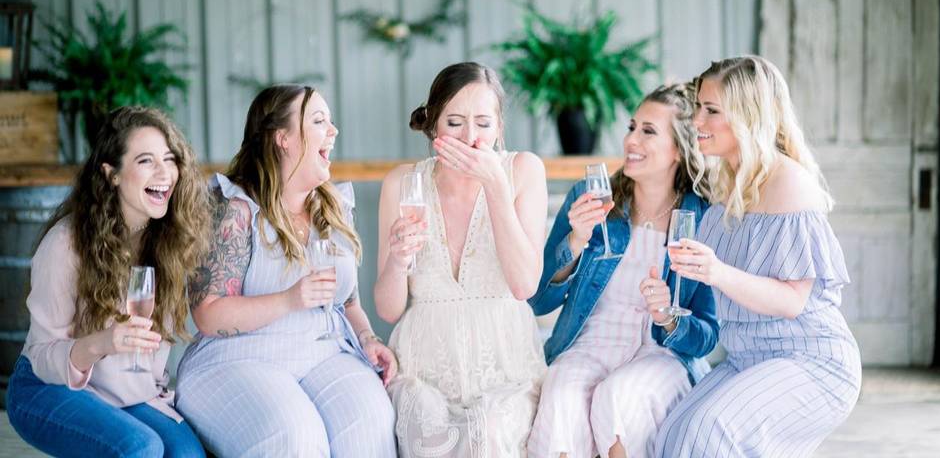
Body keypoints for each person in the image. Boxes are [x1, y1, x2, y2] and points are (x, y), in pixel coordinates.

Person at [654, 56, 862, 457]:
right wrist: (664, 306)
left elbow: (791, 300)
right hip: (747, 358)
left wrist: (716, 271)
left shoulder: (789, 182)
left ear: (748, 115)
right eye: (699, 107)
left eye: (711, 110)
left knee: (708, 431)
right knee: (673, 436)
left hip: (811, 361)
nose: (697, 120)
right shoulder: (725, 186)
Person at [175, 84, 397, 457]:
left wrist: (369, 339)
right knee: (295, 436)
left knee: (372, 422)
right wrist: (290, 299)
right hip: (239, 357)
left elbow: (348, 303)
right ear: (284, 139)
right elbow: (208, 314)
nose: (334, 130)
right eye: (318, 121)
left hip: (324, 354)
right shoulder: (235, 207)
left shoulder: (334, 207)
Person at [527, 83, 719, 458]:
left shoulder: (704, 216)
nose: (631, 139)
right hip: (590, 344)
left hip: (662, 355)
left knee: (619, 396)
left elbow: (707, 335)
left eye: (648, 131)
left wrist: (667, 318)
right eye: (632, 127)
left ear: (679, 149)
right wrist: (576, 241)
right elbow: (539, 298)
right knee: (563, 395)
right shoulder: (592, 196)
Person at [6, 106, 208, 457]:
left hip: (123, 390)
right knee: (140, 447)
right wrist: (103, 343)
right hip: (46, 385)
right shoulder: (67, 243)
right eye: (146, 161)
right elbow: (40, 356)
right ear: (111, 174)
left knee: (186, 454)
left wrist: (159, 397)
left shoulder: (169, 243)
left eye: (169, 158)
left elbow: (154, 356)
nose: (165, 172)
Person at [375, 62, 548, 457]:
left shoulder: (524, 170)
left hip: (507, 373)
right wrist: (398, 260)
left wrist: (495, 187)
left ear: (500, 127)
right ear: (434, 124)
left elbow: (524, 285)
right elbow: (388, 308)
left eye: (483, 124)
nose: (471, 138)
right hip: (424, 373)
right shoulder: (402, 183)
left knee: (488, 435)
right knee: (430, 431)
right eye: (454, 122)